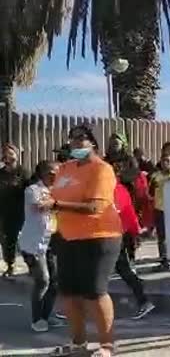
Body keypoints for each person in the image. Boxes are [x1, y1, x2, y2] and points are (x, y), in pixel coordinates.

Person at [48, 125, 123, 357]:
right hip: (67, 237)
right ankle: (78, 342)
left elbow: (95, 207)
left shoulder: (102, 169)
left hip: (100, 238)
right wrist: (47, 201)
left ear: (93, 143)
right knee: (69, 292)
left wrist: (57, 206)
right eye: (72, 139)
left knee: (95, 291)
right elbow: (54, 196)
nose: (76, 143)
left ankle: (107, 345)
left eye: (81, 139)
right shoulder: (65, 169)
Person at [18, 161, 64, 332]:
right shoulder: (32, 190)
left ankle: (46, 316)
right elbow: (40, 206)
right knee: (43, 281)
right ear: (42, 174)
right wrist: (60, 201)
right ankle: (36, 319)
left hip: (51, 242)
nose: (55, 177)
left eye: (58, 173)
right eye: (51, 173)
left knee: (55, 282)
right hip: (33, 244)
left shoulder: (57, 191)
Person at [112, 157, 156, 320]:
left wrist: (135, 233)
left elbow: (129, 214)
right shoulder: (114, 188)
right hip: (108, 236)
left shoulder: (118, 189)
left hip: (114, 236)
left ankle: (143, 299)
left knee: (121, 269)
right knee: (119, 269)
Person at [0, 143, 30, 278]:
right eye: (5, 154)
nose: (8, 156)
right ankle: (10, 265)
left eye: (11, 153)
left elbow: (30, 191)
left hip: (20, 212)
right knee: (7, 240)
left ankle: (32, 265)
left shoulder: (24, 172)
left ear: (17, 155)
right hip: (3, 213)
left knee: (25, 240)